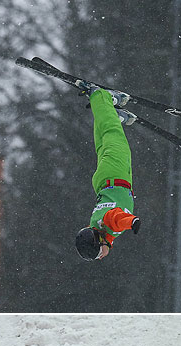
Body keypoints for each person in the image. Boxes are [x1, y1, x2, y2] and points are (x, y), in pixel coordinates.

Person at [74, 84, 142, 261]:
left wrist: (132, 222)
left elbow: (117, 218)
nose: (101, 257)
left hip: (116, 175)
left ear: (100, 242)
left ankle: (102, 97)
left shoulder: (110, 226)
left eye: (98, 254)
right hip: (103, 182)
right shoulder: (95, 225)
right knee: (104, 142)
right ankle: (108, 113)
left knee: (114, 136)